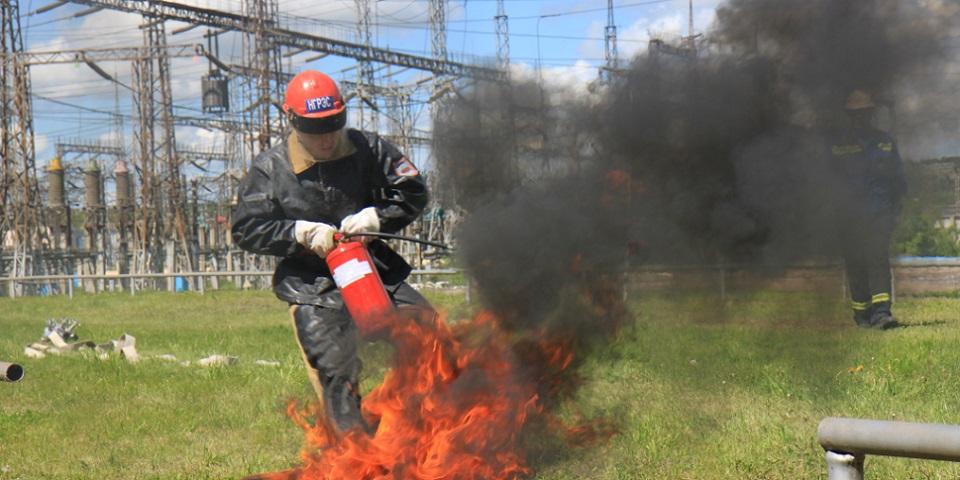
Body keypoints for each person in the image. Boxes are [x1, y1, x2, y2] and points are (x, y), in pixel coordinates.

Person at [231, 69, 434, 433]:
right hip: (313, 284)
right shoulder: (271, 168)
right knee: (338, 371)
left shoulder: (369, 148)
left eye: (334, 123)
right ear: (291, 119)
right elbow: (247, 228)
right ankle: (356, 453)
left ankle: (430, 427)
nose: (326, 137)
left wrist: (377, 217)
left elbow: (413, 189)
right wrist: (298, 233)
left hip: (372, 267)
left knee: (429, 333)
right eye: (315, 128)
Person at [827, 90, 907, 330]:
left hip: (879, 212)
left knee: (878, 258)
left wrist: (896, 210)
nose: (859, 118)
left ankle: (882, 313)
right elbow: (826, 181)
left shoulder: (884, 142)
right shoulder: (836, 145)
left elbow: (897, 179)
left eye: (863, 113)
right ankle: (862, 316)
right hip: (849, 216)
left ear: (870, 114)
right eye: (854, 114)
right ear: (848, 115)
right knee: (856, 262)